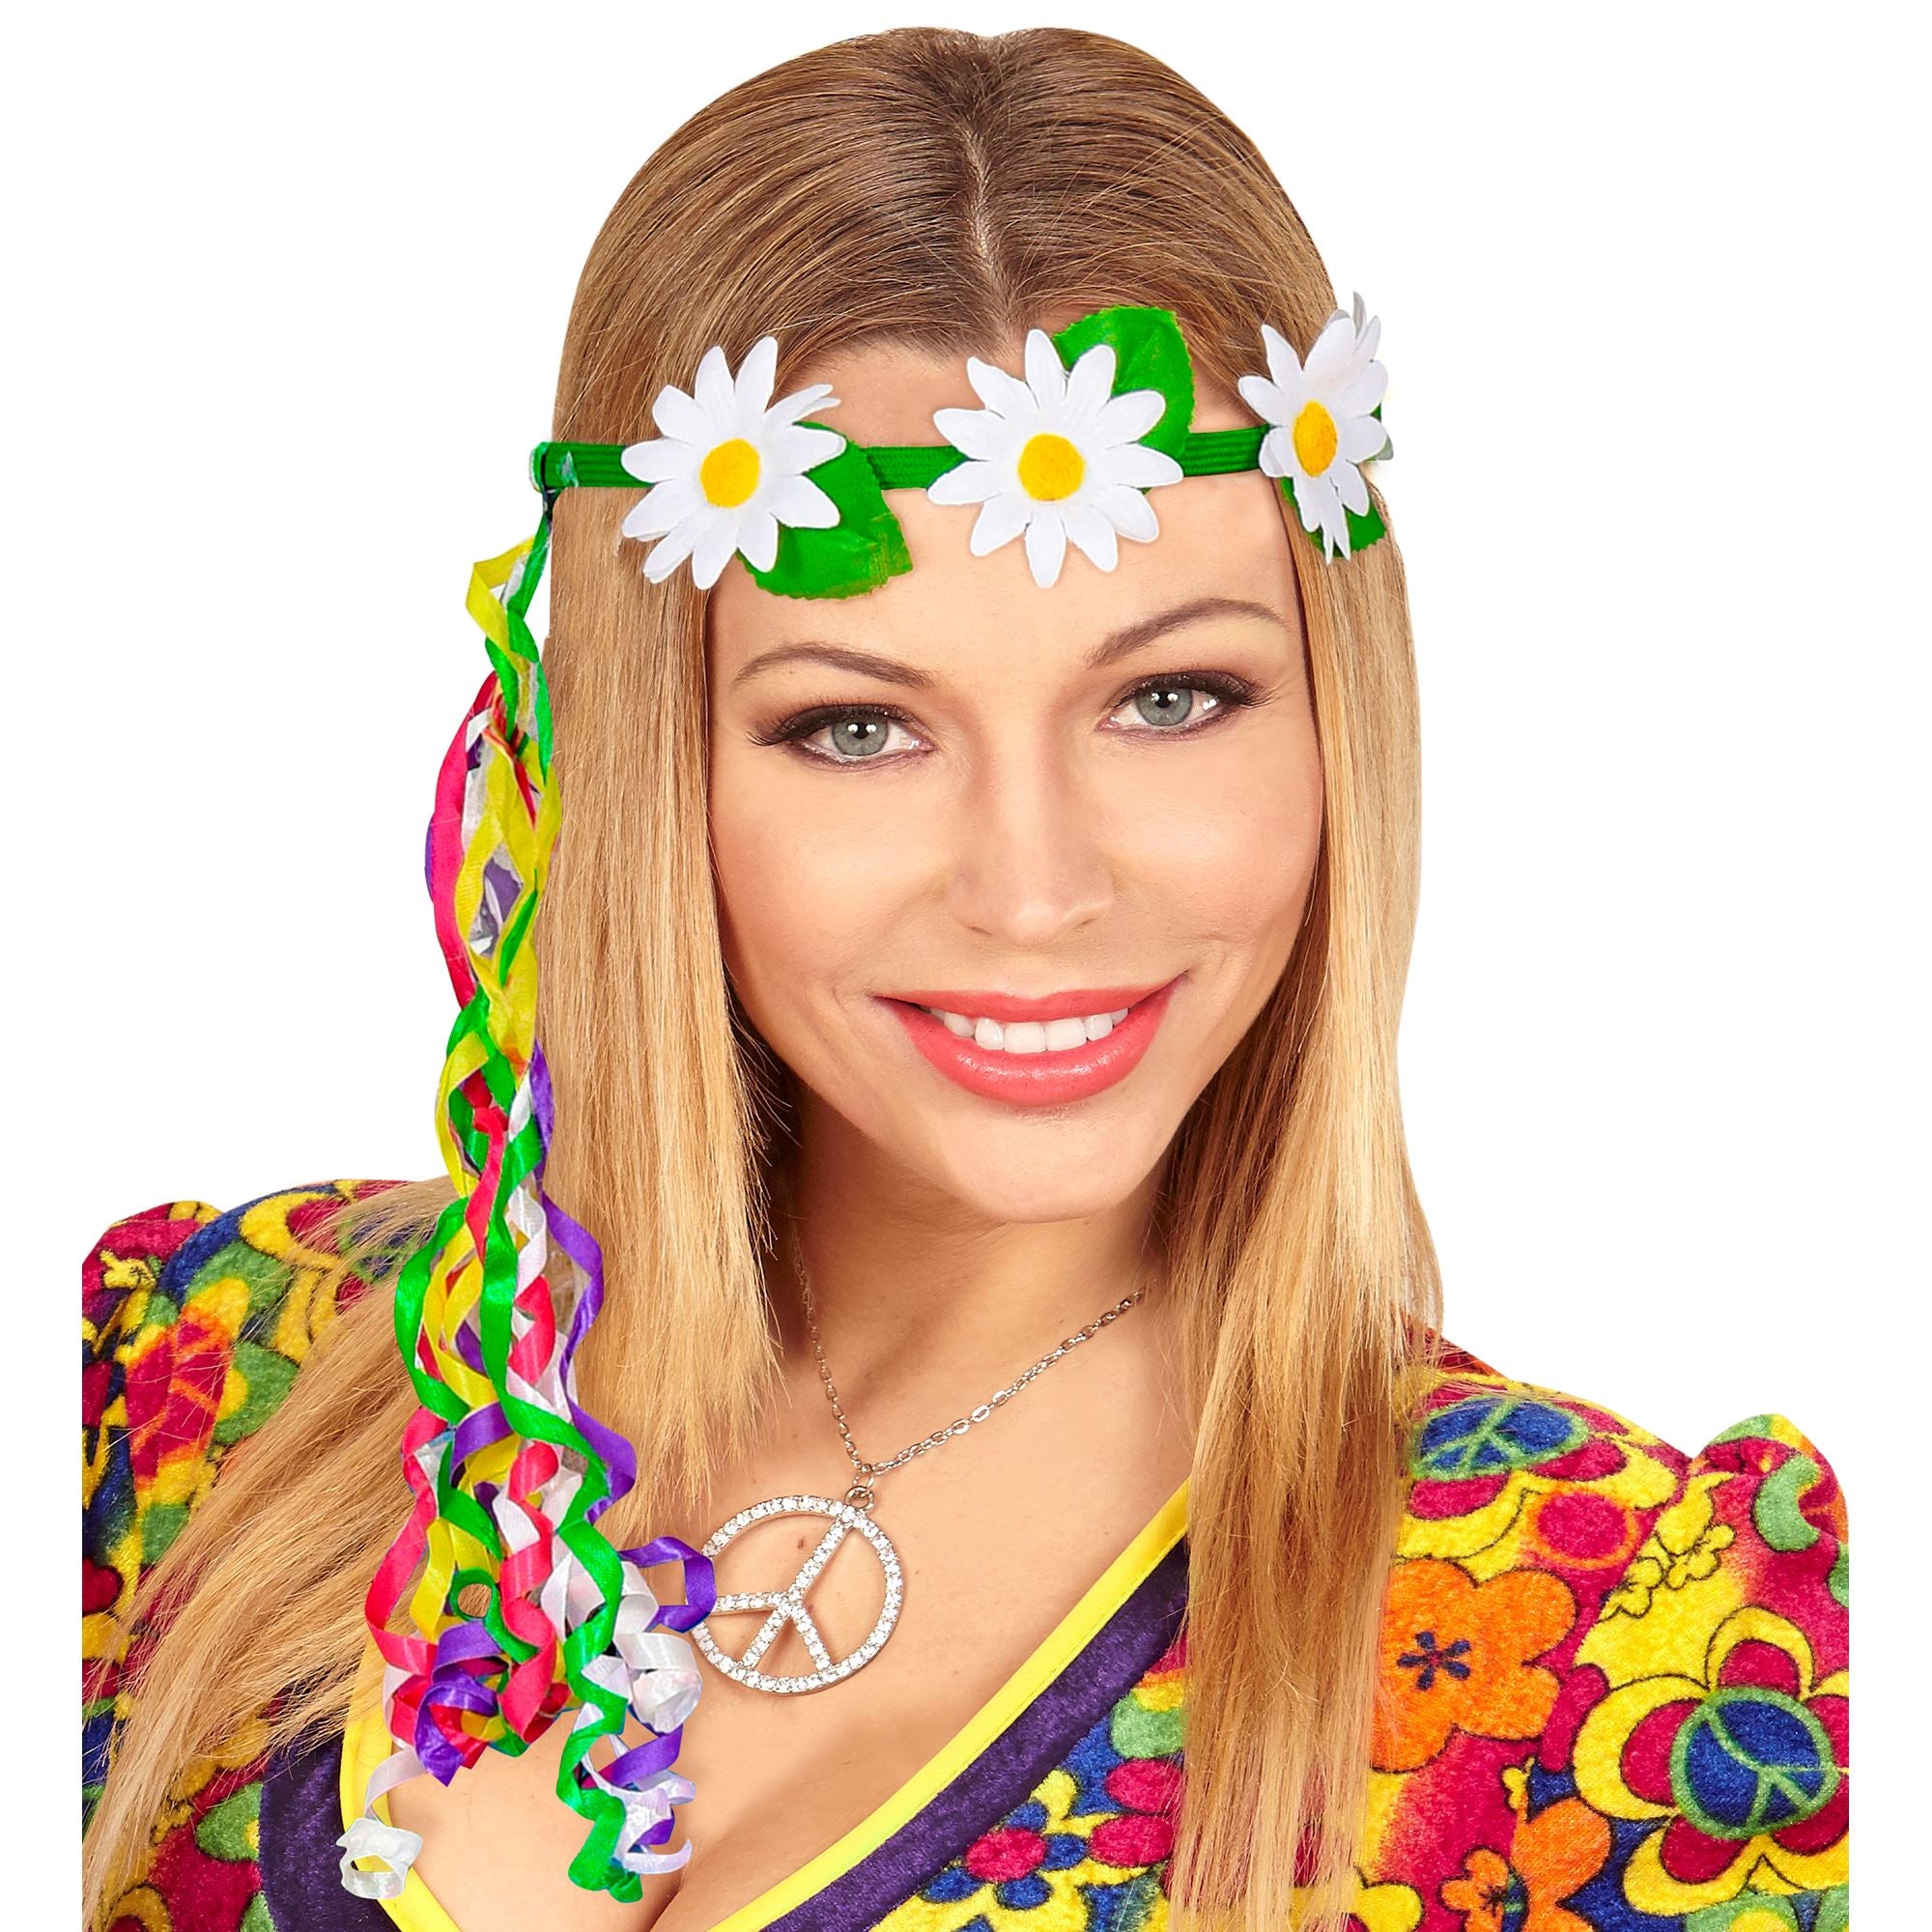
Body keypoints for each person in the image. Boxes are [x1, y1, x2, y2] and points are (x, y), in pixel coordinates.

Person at [79, 24, 1850, 1932]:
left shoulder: (1626, 1652)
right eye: (856, 727)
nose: (1035, 889)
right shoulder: (189, 1383)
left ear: (1342, 716)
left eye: (1172, 698)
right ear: (636, 760)